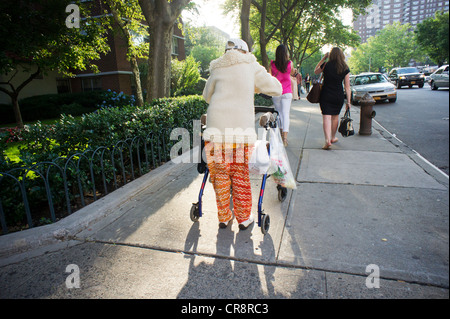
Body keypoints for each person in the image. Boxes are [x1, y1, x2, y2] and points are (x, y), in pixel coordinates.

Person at [202, 39, 282, 230]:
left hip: (215, 133)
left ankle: (223, 217)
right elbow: (276, 88)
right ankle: (244, 219)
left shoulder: (217, 67)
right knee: (239, 176)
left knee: (220, 177)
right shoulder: (250, 65)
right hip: (240, 134)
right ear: (246, 52)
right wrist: (253, 86)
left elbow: (206, 96)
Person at [314, 47, 351, 150]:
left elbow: (316, 71)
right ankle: (333, 137)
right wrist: (348, 101)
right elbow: (347, 87)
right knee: (335, 117)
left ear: (331, 55)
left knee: (326, 117)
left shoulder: (326, 65)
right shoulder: (345, 67)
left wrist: (323, 59)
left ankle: (327, 140)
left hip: (326, 94)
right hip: (338, 95)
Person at [270, 44, 296, 146]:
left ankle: (281, 135)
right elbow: (293, 72)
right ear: (286, 54)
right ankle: (285, 138)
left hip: (276, 92)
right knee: (285, 114)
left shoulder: (272, 64)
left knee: (280, 114)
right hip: (287, 92)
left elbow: (270, 77)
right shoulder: (290, 63)